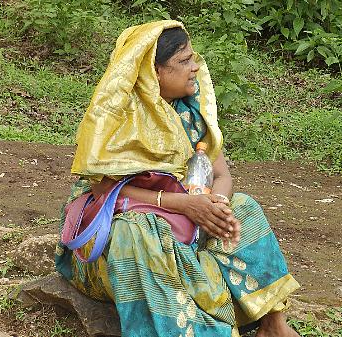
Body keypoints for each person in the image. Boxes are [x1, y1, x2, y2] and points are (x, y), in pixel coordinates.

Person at [55, 20, 301, 337]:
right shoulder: (117, 116)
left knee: (244, 208)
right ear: (153, 72)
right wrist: (184, 204)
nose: (195, 67)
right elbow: (103, 189)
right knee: (139, 229)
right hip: (114, 235)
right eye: (184, 61)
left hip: (183, 224)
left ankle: (273, 324)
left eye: (193, 58)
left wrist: (216, 206)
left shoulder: (189, 111)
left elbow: (221, 174)